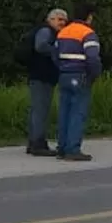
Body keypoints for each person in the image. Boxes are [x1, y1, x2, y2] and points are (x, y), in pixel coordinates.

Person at [52, 3, 102, 162]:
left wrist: (63, 68)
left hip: (64, 75)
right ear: (89, 17)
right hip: (80, 75)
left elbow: (55, 55)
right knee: (77, 113)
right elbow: (93, 58)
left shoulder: (63, 32)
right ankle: (73, 149)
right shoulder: (88, 33)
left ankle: (62, 148)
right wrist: (94, 75)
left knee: (64, 112)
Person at [22, 8, 68, 156]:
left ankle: (34, 142)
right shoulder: (46, 31)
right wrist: (57, 52)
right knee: (41, 110)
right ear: (50, 19)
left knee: (38, 110)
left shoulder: (47, 31)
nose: (62, 22)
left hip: (41, 76)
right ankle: (38, 144)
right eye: (59, 19)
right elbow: (40, 46)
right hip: (41, 76)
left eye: (64, 20)